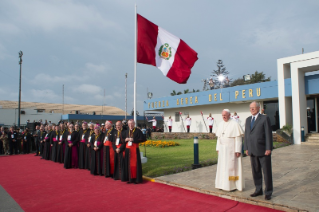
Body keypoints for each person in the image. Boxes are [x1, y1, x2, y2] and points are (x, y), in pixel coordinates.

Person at [244, 101, 273, 200]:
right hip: (252, 150)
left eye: (253, 107)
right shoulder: (248, 120)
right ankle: (258, 189)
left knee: (266, 172)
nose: (252, 109)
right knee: (255, 172)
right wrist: (246, 148)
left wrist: (268, 148)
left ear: (258, 108)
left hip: (263, 150)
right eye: (250, 108)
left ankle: (268, 191)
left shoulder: (264, 118)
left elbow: (268, 134)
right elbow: (247, 135)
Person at [214, 109, 245, 191]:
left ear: (229, 115)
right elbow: (219, 138)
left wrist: (238, 150)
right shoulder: (220, 124)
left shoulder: (235, 124)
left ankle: (232, 184)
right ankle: (221, 184)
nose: (224, 116)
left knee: (231, 168)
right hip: (222, 150)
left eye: (225, 115)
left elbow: (238, 138)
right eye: (222, 115)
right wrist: (218, 148)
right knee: (222, 167)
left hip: (231, 150)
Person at [123, 119, 146, 184]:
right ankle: (130, 178)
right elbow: (122, 140)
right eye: (129, 124)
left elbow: (143, 139)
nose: (130, 125)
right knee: (128, 164)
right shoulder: (126, 131)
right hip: (128, 150)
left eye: (132, 123)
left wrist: (133, 139)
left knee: (135, 164)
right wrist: (125, 139)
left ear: (134, 124)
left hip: (134, 150)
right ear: (128, 124)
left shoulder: (138, 131)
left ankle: (136, 179)